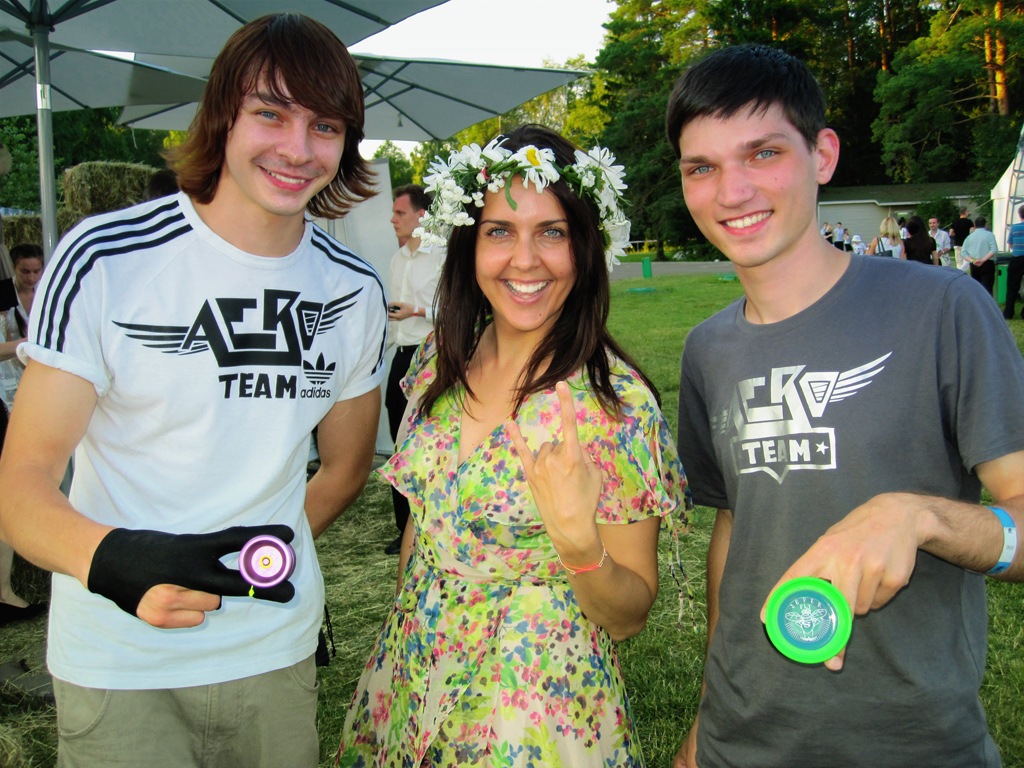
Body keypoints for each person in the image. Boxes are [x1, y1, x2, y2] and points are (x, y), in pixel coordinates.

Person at [0, 13, 387, 767]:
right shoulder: (103, 259)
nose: (297, 149)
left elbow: (344, 469)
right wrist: (116, 561)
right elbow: (21, 485)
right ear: (221, 116)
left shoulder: (353, 290)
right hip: (120, 658)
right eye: (270, 114)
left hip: (275, 651)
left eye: (325, 126)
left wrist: (252, 563)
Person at [666, 43, 1024, 768]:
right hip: (741, 740)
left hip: (912, 745)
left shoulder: (943, 308)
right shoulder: (707, 350)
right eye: (701, 167)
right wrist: (709, 713)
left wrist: (918, 516)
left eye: (763, 153)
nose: (732, 192)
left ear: (822, 154)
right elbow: (734, 528)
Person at [336, 124, 688, 766]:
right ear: (469, 244)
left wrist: (579, 546)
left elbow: (629, 616)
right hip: (414, 673)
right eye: (499, 231)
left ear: (584, 246)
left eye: (551, 232)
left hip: (530, 711)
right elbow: (422, 523)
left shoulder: (613, 408)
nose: (524, 260)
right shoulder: (442, 362)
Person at [382, 183, 443, 555]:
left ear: (422, 215)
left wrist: (417, 311)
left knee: (428, 442)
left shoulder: (441, 256)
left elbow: (456, 310)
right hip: (402, 356)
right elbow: (394, 314)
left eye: (400, 212)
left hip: (434, 355)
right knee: (399, 442)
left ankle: (431, 525)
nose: (393, 219)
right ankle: (403, 528)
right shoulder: (397, 259)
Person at [961, 215, 998, 295]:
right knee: (987, 288)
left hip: (974, 264)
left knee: (976, 288)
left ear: (974, 225)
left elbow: (963, 252)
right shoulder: (990, 235)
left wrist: (972, 260)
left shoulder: (969, 237)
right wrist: (983, 260)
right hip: (987, 263)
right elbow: (994, 250)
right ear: (985, 224)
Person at [1003, 204, 1024, 320]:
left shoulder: (1014, 228)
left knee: (1012, 286)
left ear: (1019, 215)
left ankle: (1008, 312)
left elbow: (1010, 244)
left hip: (1016, 259)